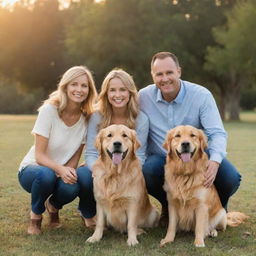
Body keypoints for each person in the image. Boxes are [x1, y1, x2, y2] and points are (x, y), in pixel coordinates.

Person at [138, 51, 241, 222]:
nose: (165, 78)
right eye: (159, 74)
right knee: (147, 170)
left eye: (169, 72)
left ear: (179, 71)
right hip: (163, 159)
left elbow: (217, 133)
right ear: (152, 76)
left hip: (198, 159)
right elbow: (117, 108)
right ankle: (170, 207)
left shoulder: (201, 95)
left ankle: (216, 210)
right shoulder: (143, 97)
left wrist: (214, 161)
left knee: (231, 177)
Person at [18, 66, 98, 235]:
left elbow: (75, 157)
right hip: (33, 170)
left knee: (72, 187)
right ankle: (36, 216)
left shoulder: (86, 119)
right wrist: (60, 169)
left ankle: (53, 207)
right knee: (45, 174)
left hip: (58, 172)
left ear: (89, 90)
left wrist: (67, 172)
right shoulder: (49, 110)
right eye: (74, 84)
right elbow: (39, 155)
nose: (79, 89)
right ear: (66, 87)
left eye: (84, 86)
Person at [77, 68, 149, 227]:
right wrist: (98, 170)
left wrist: (126, 173)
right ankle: (88, 212)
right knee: (83, 174)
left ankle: (125, 215)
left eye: (123, 90)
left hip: (128, 167)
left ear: (130, 92)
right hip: (102, 166)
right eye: (113, 90)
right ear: (106, 93)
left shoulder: (141, 119)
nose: (118, 95)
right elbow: (90, 152)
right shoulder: (97, 116)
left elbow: (141, 155)